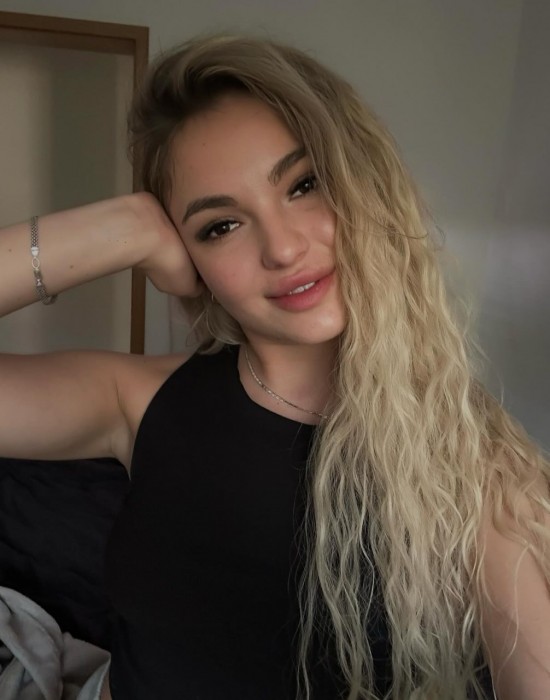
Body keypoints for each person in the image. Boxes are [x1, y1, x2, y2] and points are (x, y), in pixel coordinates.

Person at [0, 34, 549, 700]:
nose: (283, 249)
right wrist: (122, 229)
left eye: (305, 184)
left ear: (364, 181)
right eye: (220, 226)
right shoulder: (137, 398)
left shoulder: (478, 463)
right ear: (189, 255)